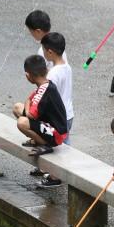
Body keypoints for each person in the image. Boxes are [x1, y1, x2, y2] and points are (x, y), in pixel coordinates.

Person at [37, 32, 74, 188]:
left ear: (50, 52)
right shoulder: (67, 67)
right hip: (69, 113)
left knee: (57, 147)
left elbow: (48, 97)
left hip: (57, 116)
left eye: (44, 50)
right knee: (65, 144)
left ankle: (55, 176)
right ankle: (64, 172)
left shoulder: (52, 74)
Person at [13, 55, 68, 157]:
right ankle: (37, 139)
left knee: (21, 122)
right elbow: (30, 101)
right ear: (46, 70)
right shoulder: (45, 84)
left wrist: (28, 103)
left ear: (28, 76)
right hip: (47, 124)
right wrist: (28, 102)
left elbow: (30, 114)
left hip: (56, 134)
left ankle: (45, 144)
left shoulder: (43, 90)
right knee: (17, 107)